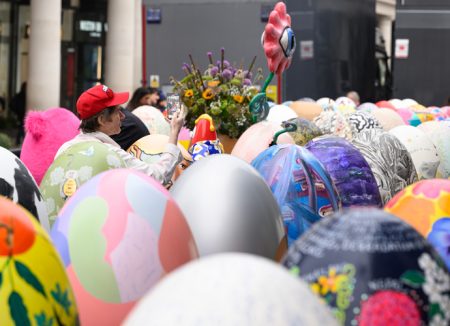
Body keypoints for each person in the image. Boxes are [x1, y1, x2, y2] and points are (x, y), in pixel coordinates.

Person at [55, 84, 184, 186]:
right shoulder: (110, 154)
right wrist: (174, 132)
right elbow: (157, 177)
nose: (123, 117)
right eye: (117, 112)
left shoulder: (65, 149)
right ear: (101, 120)